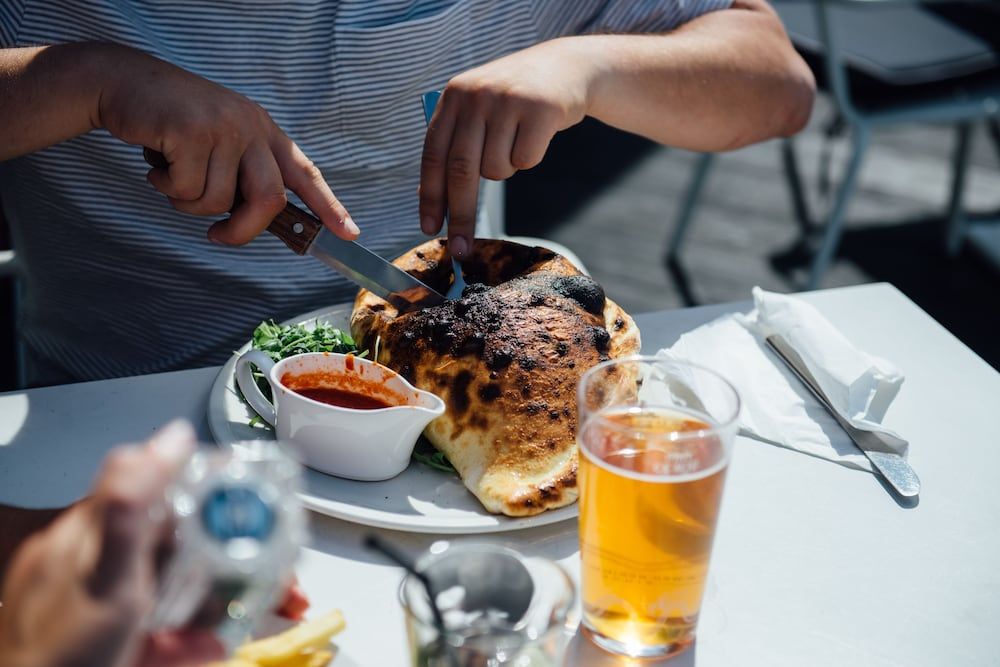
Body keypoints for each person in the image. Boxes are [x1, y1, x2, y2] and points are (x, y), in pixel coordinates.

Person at [0, 1, 814, 386]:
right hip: (112, 407)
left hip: (446, 401)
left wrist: (586, 65)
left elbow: (777, 84)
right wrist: (87, 84)